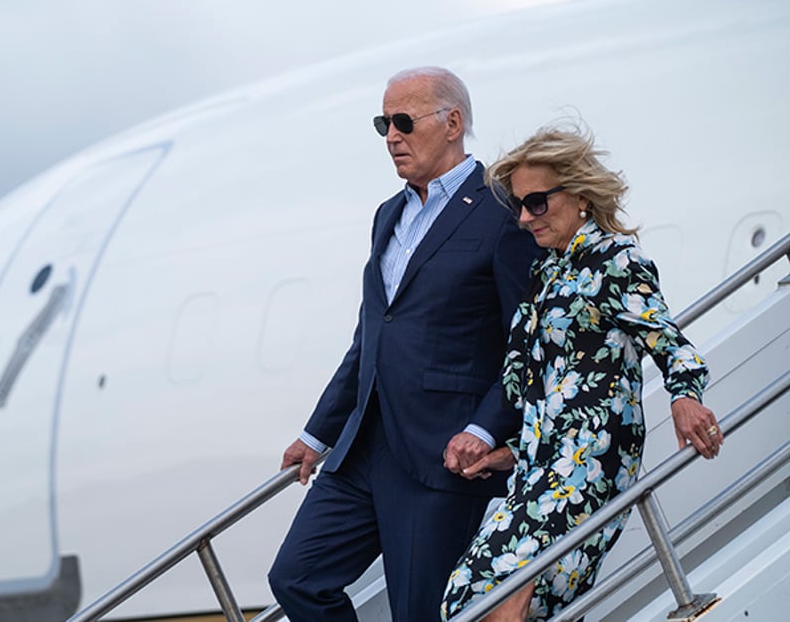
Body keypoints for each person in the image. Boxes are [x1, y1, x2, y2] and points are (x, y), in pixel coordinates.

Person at [267, 66, 541, 621]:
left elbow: (527, 343)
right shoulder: (387, 215)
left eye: (403, 121)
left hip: (442, 452)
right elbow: (371, 338)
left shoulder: (500, 212)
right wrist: (317, 433)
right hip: (364, 447)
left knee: (419, 613)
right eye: (383, 123)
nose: (391, 136)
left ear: (453, 123)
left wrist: (485, 428)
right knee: (297, 577)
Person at [441, 122, 723, 621]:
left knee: (489, 589)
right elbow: (545, 385)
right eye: (519, 206)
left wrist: (685, 397)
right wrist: (510, 452)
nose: (526, 218)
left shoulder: (615, 259)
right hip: (540, 465)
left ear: (580, 196)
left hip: (588, 463)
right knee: (469, 598)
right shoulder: (545, 272)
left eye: (538, 203)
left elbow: (669, 342)